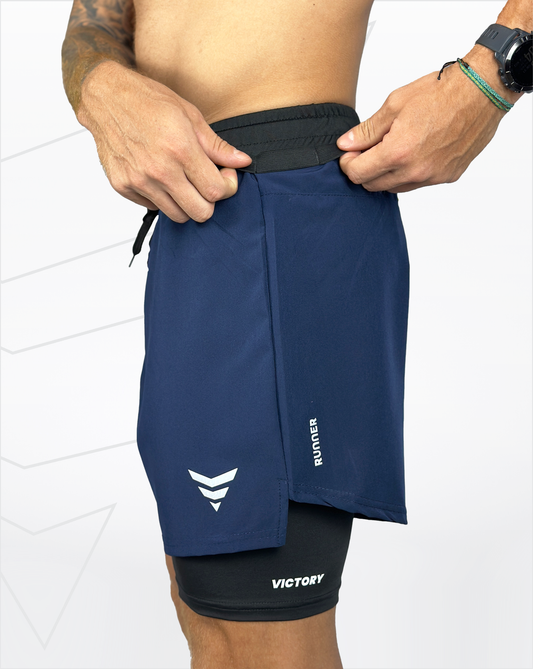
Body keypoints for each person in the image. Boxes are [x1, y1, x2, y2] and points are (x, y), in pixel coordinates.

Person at [61, 1, 531, 667]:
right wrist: (102, 86)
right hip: (193, 228)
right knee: (211, 617)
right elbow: (97, 21)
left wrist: (495, 70)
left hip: (282, 212)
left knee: (259, 637)